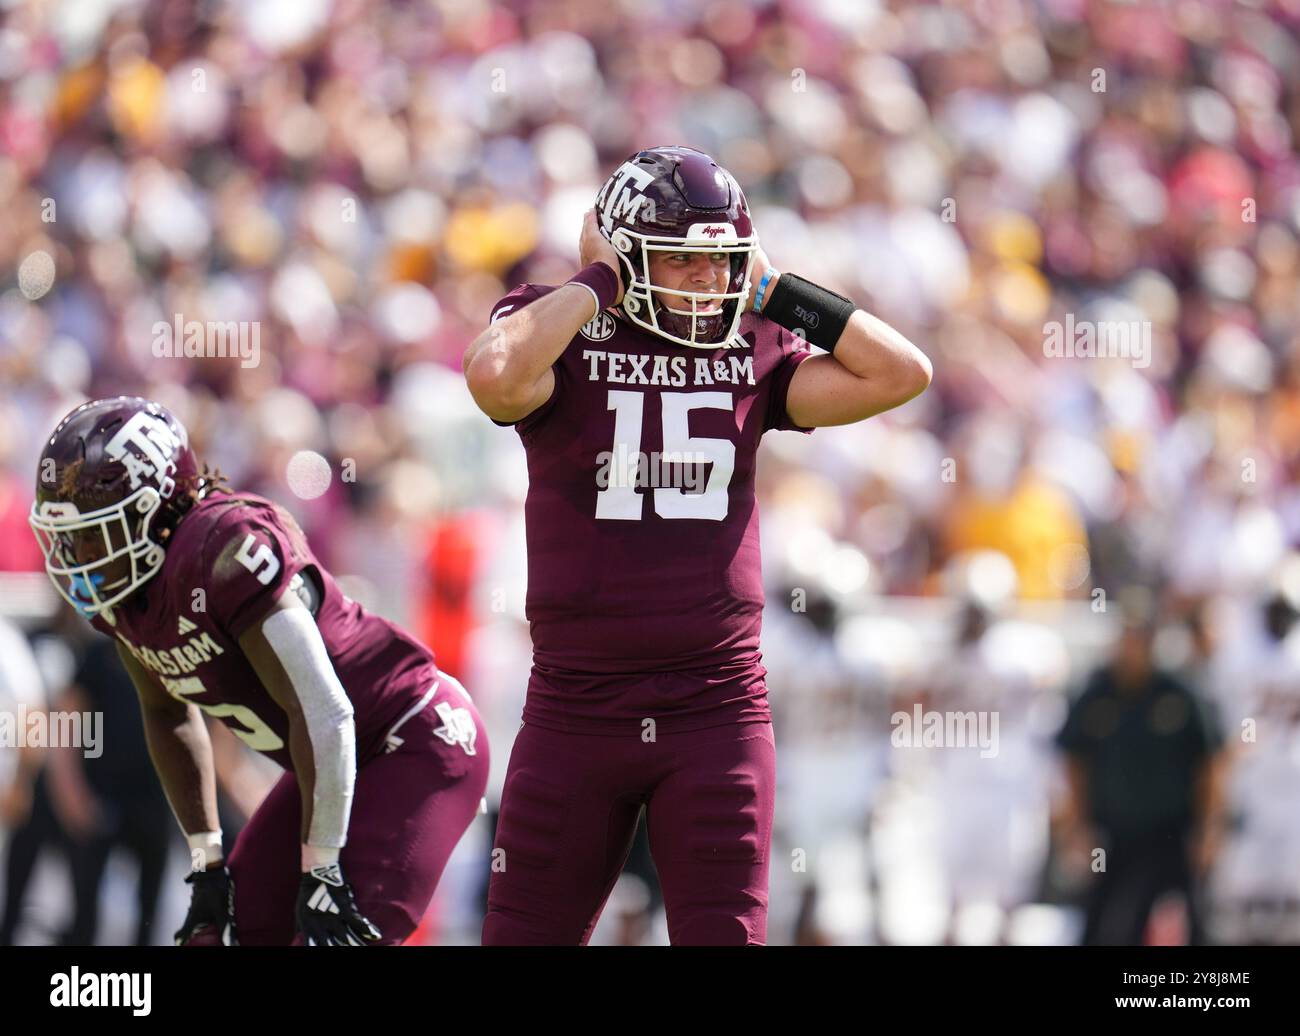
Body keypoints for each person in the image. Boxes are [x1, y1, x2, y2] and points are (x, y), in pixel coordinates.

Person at [463, 145, 932, 945]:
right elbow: (495, 376)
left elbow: (902, 373)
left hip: (715, 707)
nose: (707, 284)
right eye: (682, 262)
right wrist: (597, 282)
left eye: (721, 264)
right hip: (576, 705)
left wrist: (780, 290)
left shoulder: (752, 337)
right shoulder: (562, 321)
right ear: (626, 253)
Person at [28, 397, 489, 945]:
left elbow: (325, 708)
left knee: (328, 939)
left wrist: (321, 869)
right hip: (329, 762)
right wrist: (206, 858)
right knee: (220, 937)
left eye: (89, 536)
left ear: (151, 512)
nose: (75, 557)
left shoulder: (225, 551)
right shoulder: (128, 596)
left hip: (412, 736)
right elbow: (166, 713)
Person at [1055, 590, 1228, 945]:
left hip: (1173, 831)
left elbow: (1210, 759)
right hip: (1113, 832)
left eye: (1139, 636)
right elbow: (1074, 759)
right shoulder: (1098, 692)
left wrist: (1210, 826)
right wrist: (1077, 824)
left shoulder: (1179, 692)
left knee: (1195, 919)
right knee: (1101, 919)